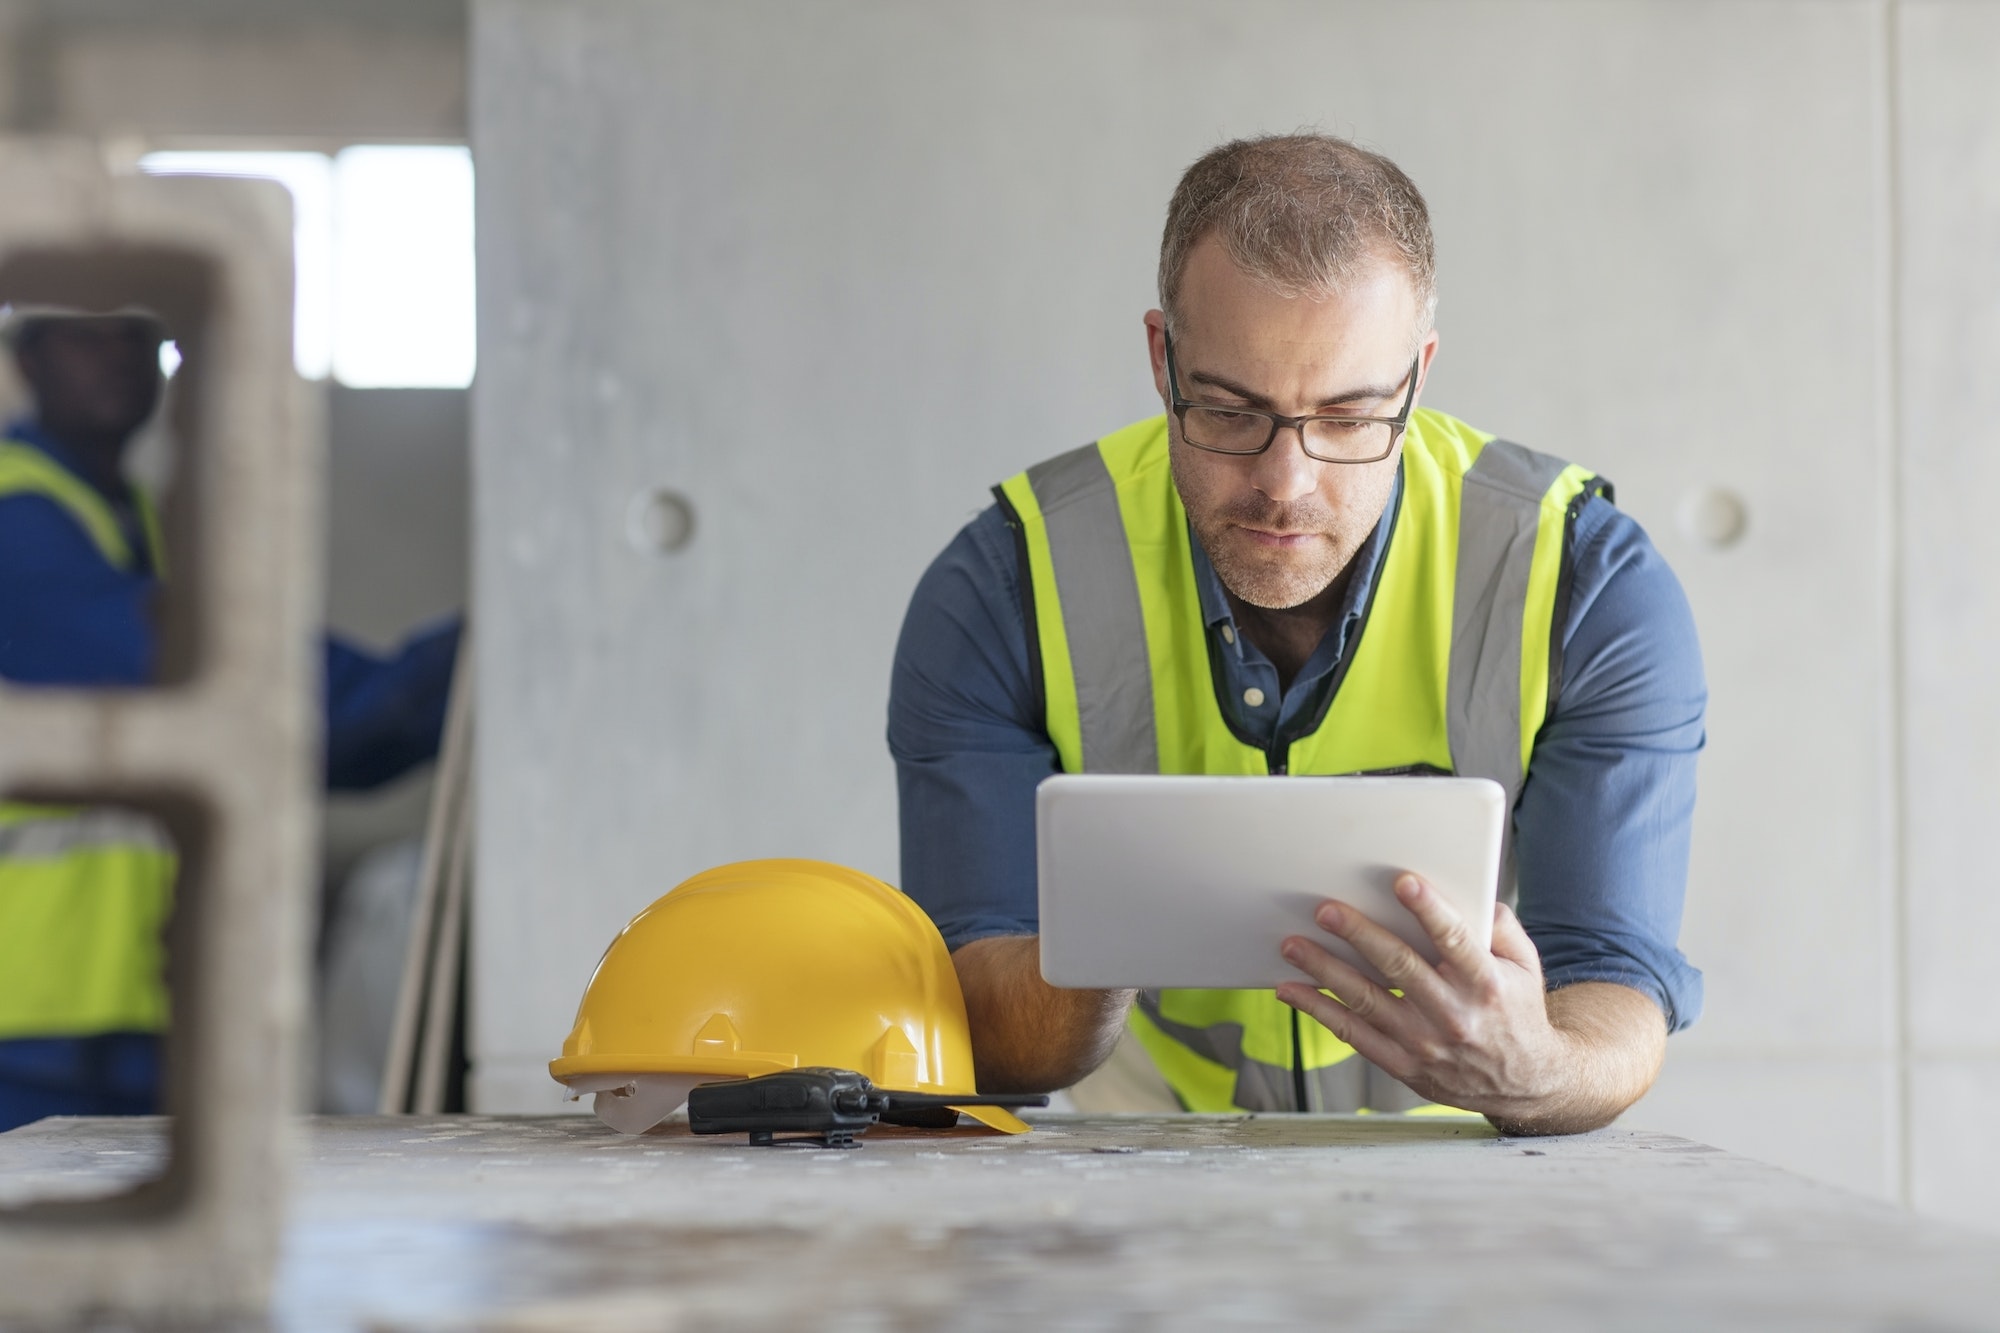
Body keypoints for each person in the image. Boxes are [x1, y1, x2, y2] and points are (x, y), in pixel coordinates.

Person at [889, 135, 1704, 1136]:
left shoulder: (1581, 580)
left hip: (1449, 1155)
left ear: (1418, 375)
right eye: (1229, 411)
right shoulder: (1004, 582)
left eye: (1351, 415)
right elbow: (978, 1033)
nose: (1286, 482)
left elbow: (1613, 983)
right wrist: (1120, 920)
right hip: (1141, 1151)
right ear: (1161, 358)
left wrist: (1535, 1072)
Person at [0, 303, 459, 1130]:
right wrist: (429, 679)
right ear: (27, 357)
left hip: (128, 1007)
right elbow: (229, 685)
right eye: (84, 334)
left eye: (137, 335)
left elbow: (287, 741)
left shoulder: (127, 518)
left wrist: (420, 701)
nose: (116, 356)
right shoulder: (16, 518)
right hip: (27, 1017)